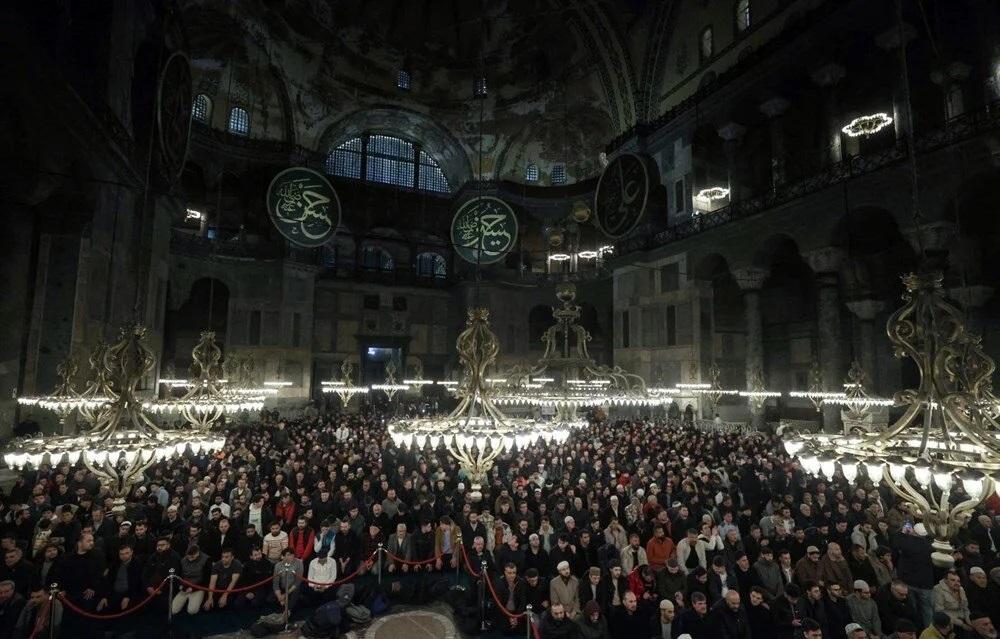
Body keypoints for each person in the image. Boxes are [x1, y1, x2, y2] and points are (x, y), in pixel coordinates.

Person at [172, 545, 210, 615]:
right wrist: (180, 586)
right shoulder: (183, 560)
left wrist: (193, 588)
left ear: (198, 553)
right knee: (174, 610)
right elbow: (179, 576)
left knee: (192, 611)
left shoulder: (206, 560)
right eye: (188, 557)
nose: (190, 559)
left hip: (198, 587)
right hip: (185, 586)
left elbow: (206, 579)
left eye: (192, 557)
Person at [932, 570, 972, 635]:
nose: (956, 583)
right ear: (945, 581)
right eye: (952, 580)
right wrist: (962, 625)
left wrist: (970, 622)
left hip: (963, 619)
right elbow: (939, 611)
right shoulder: (937, 589)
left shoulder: (961, 589)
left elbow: (965, 608)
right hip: (948, 622)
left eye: (958, 581)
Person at [493, 562, 527, 633]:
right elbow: (499, 603)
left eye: (514, 572)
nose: (512, 575)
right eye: (509, 573)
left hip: (517, 612)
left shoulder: (521, 582)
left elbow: (522, 601)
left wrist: (516, 617)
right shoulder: (499, 583)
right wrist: (509, 617)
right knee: (504, 630)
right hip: (504, 612)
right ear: (505, 572)